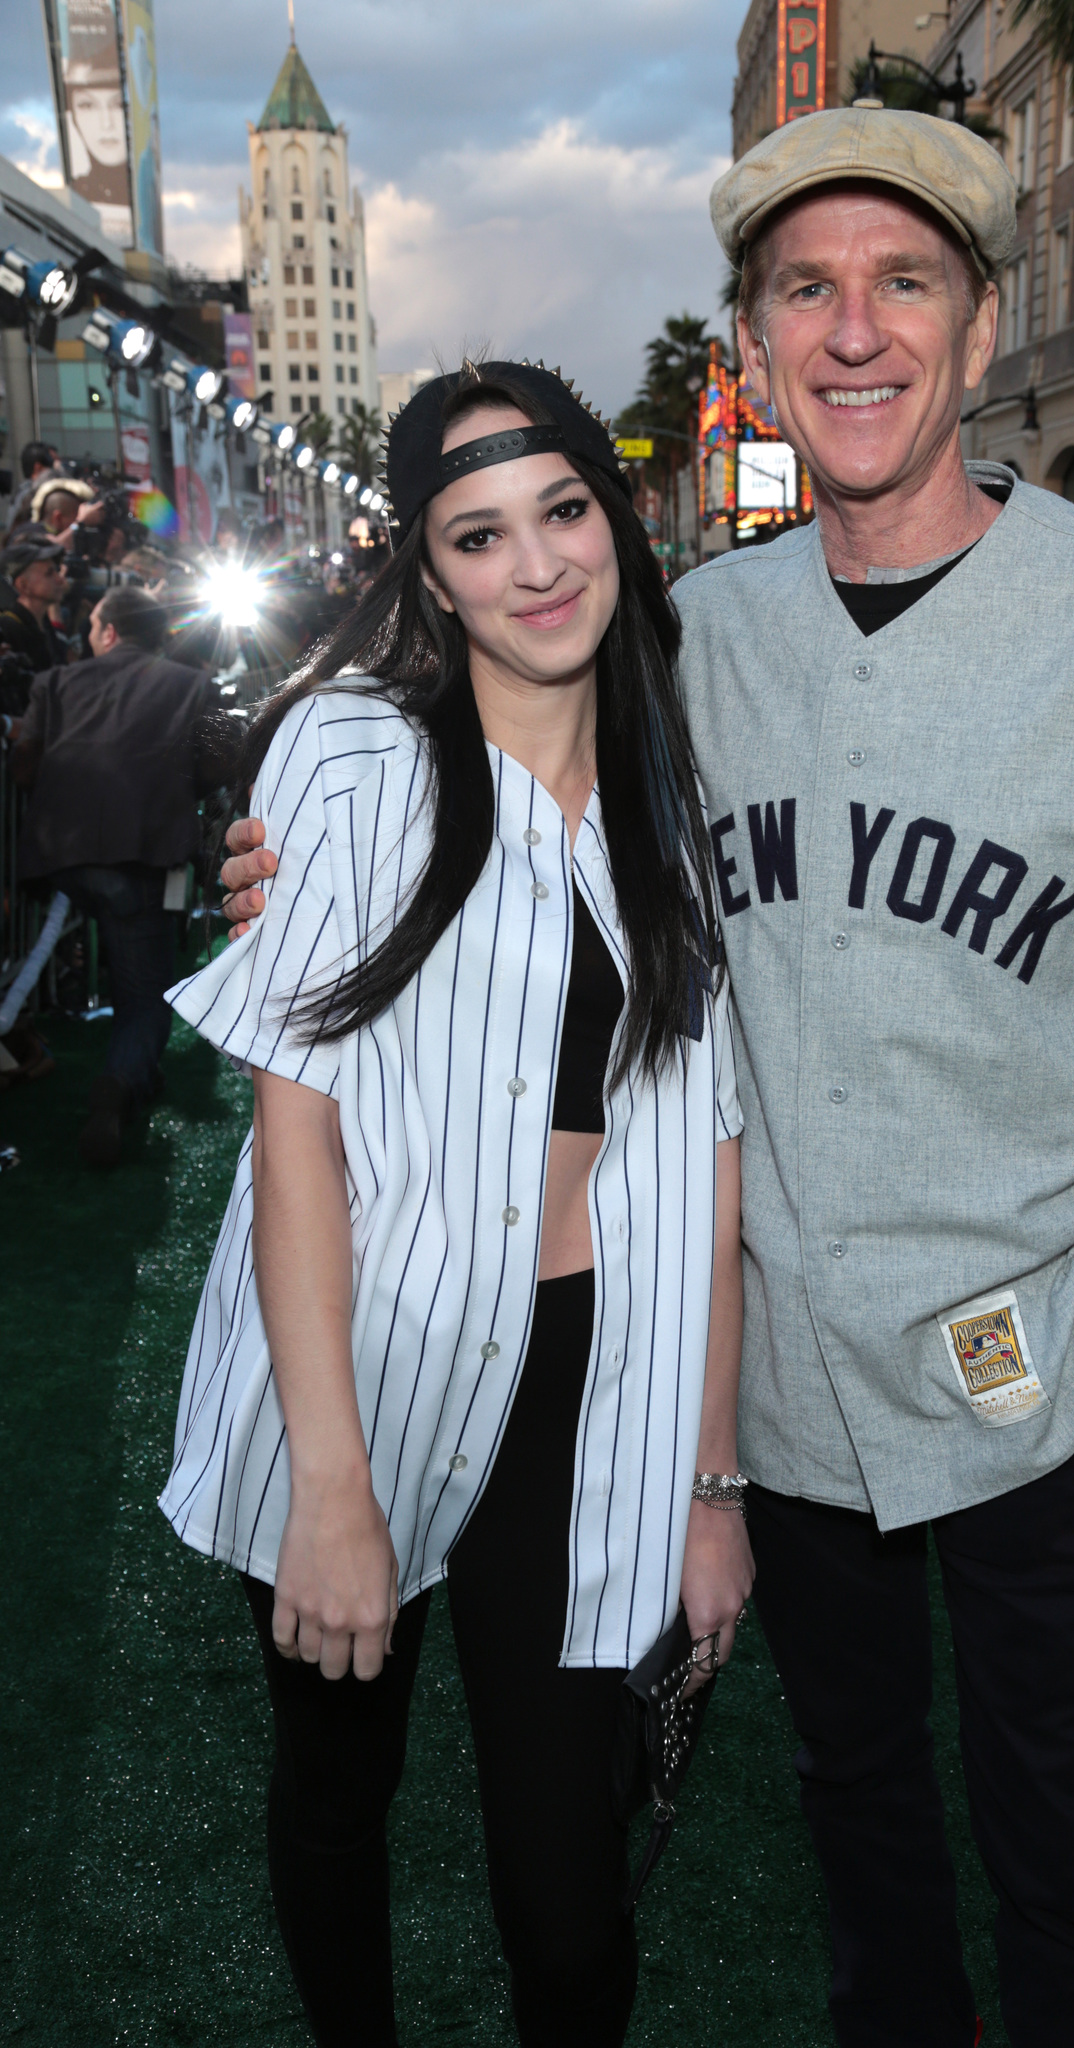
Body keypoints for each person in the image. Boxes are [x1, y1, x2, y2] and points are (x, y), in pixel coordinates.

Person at [222, 115, 1074, 2048]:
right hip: (785, 1381)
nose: (857, 330)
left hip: (1038, 1355)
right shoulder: (693, 642)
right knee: (862, 1815)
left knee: (1067, 1846)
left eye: (906, 283)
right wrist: (291, 863)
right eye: (806, 288)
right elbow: (486, 755)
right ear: (753, 339)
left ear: (984, 332)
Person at [162, 362, 752, 2048]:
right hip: (358, 1360)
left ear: (619, 525)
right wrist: (331, 1490)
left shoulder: (668, 797)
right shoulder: (353, 756)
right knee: (336, 1798)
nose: (536, 564)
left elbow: (702, 1158)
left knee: (571, 1908)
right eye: (479, 535)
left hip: (593, 1393)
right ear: (431, 573)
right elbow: (294, 1140)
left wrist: (710, 1483)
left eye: (563, 511)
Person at [9, 584, 231, 1165]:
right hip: (141, 856)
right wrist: (177, 797)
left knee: (121, 964)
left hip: (59, 854)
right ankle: (121, 1080)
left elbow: (24, 763)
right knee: (142, 992)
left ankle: (126, 1072)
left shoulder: (54, 682)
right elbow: (219, 760)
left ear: (107, 632)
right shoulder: (191, 685)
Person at [0, 537, 69, 686]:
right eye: (49, 574)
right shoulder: (8, 630)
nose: (60, 580)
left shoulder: (43, 624)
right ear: (23, 585)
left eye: (57, 571)